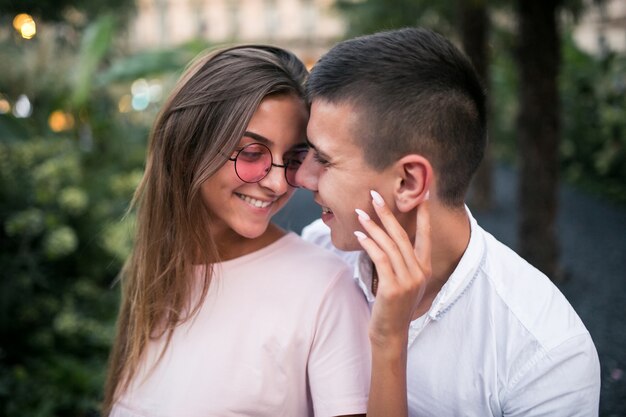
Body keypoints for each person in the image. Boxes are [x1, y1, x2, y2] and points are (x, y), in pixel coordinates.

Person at [297, 28, 601, 416]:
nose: (302, 177)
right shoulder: (317, 249)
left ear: (408, 182)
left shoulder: (545, 357)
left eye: (323, 159)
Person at [102, 45, 371, 417]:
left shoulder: (325, 290)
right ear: (188, 145)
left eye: (293, 159)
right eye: (251, 153)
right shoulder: (155, 271)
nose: (277, 184)